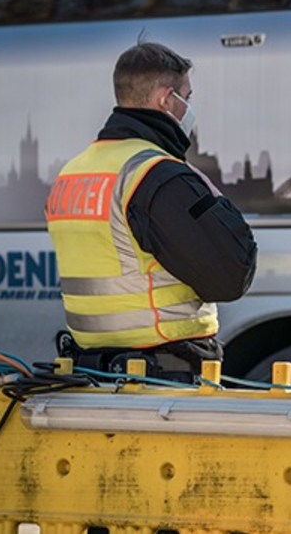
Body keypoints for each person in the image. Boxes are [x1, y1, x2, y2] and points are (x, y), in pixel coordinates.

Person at [46, 42, 257, 380]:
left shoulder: (73, 173)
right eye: (188, 96)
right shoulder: (156, 175)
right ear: (166, 99)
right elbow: (232, 274)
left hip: (90, 371)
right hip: (161, 375)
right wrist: (214, 199)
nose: (190, 107)